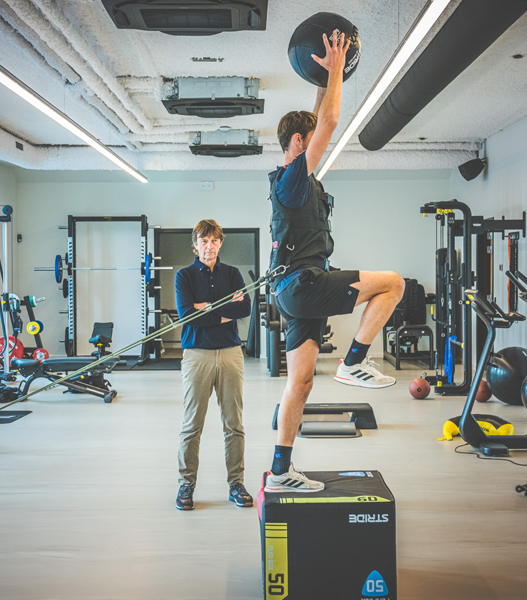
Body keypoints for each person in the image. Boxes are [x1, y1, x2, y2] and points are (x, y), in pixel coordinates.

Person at [264, 31, 406, 493]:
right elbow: (329, 121)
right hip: (304, 284)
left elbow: (319, 118)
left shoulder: (302, 184)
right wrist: (336, 71)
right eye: (312, 141)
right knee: (393, 283)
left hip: (295, 295)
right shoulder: (291, 179)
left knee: (299, 385)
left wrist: (326, 78)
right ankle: (354, 362)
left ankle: (282, 471)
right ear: (299, 142)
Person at [174, 219, 253, 510]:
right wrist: (222, 309)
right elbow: (186, 316)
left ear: (220, 243)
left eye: (214, 241)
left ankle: (236, 484)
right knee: (192, 425)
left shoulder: (232, 274)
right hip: (197, 355)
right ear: (195, 245)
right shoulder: (184, 277)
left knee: (234, 424)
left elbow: (244, 308)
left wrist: (204, 307)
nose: (209, 246)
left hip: (231, 354)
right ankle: (186, 486)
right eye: (204, 241)